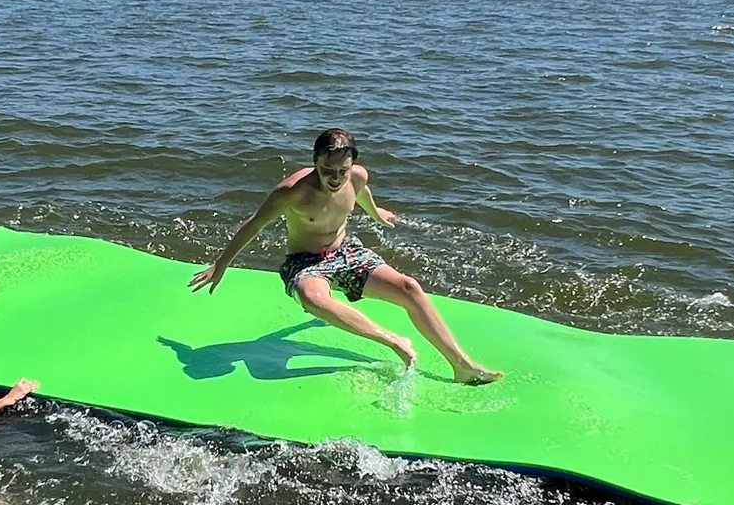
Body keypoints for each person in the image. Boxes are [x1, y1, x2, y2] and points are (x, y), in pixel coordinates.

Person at [187, 128, 502, 384]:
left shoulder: (357, 177)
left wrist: (375, 213)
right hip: (305, 262)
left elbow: (361, 194)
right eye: (327, 170)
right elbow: (253, 225)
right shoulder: (292, 191)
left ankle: (462, 366)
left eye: (342, 171)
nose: (335, 178)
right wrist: (221, 264)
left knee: (409, 287)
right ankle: (393, 341)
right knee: (313, 299)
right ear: (314, 163)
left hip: (346, 251)